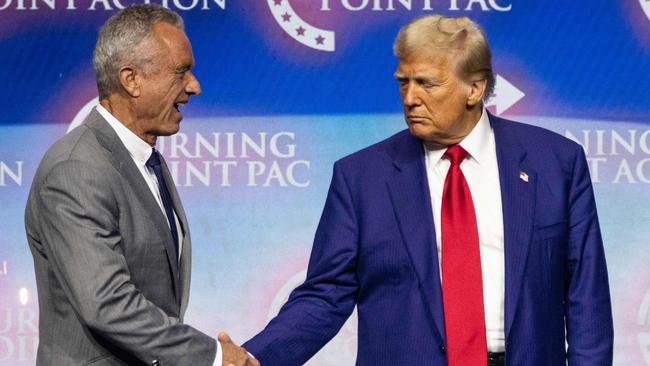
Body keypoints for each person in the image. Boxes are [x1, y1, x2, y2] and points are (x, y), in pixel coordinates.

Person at [243, 15, 613, 366]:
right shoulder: (360, 178)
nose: (409, 98)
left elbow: (587, 299)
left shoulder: (556, 163)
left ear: (475, 88)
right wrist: (249, 359)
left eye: (427, 83)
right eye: (403, 82)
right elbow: (324, 297)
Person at [24, 5, 256, 366]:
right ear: (131, 79)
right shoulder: (76, 169)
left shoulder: (147, 159)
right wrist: (211, 356)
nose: (194, 86)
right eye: (181, 72)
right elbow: (108, 303)